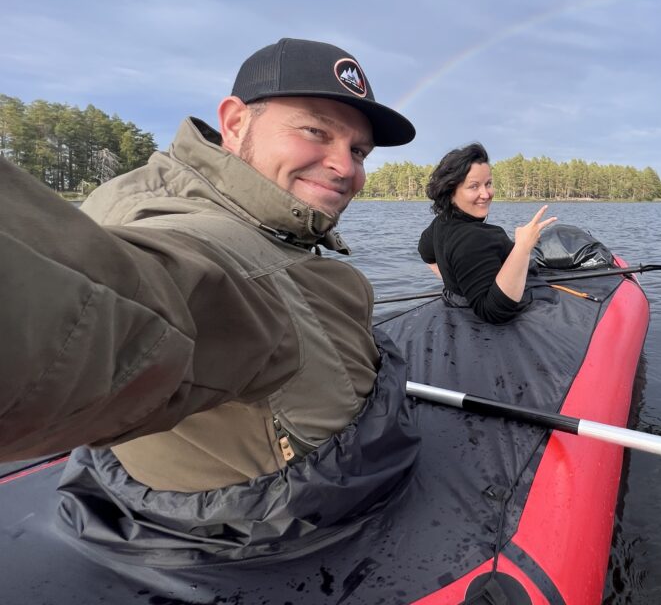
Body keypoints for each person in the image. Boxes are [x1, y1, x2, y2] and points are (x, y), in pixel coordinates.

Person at [0, 38, 417, 494]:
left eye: (359, 152)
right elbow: (128, 307)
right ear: (236, 123)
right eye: (316, 132)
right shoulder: (194, 238)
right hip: (273, 531)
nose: (344, 168)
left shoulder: (272, 222)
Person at [418, 143, 557, 324]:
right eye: (474, 186)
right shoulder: (475, 238)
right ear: (451, 192)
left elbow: (425, 250)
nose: (485, 194)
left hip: (458, 306)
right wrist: (523, 247)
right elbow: (494, 312)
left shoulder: (442, 222)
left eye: (488, 184)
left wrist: (457, 285)